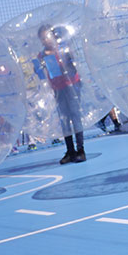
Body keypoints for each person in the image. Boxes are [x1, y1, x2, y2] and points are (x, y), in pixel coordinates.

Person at [35, 25, 86, 164]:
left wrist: (66, 64)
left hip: (72, 85)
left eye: (47, 36)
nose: (45, 40)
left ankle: (80, 150)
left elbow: (74, 66)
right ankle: (70, 151)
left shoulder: (63, 48)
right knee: (64, 120)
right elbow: (42, 73)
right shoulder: (42, 55)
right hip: (58, 88)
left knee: (75, 115)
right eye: (42, 38)